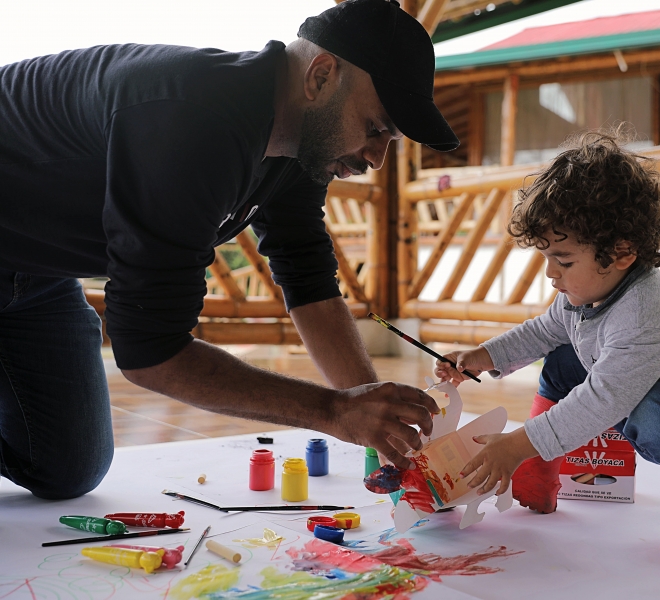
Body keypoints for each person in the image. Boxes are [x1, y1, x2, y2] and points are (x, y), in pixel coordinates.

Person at [0, 0, 458, 500]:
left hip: (36, 272)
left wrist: (376, 422)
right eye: (375, 128)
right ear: (321, 76)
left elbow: (309, 283)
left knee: (65, 467)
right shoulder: (191, 119)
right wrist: (334, 411)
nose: (376, 158)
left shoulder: (298, 147)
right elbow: (150, 353)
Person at [434, 129, 660, 562]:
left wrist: (515, 443)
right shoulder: (584, 294)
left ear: (622, 252)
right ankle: (537, 469)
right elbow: (542, 331)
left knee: (655, 405)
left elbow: (603, 400)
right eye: (547, 258)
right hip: (643, 392)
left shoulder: (648, 314)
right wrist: (483, 357)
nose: (551, 274)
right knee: (566, 354)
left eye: (564, 260)